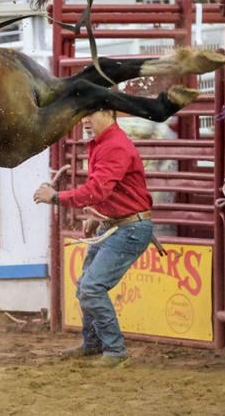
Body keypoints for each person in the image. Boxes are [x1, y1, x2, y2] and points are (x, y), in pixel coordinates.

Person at [33, 109, 153, 368]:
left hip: (129, 228)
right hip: (122, 224)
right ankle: (94, 343)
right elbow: (110, 189)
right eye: (83, 114)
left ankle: (115, 350)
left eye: (91, 113)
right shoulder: (106, 144)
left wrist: (55, 197)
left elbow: (98, 189)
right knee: (87, 286)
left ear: (109, 113)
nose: (84, 119)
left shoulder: (113, 146)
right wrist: (101, 215)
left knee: (90, 287)